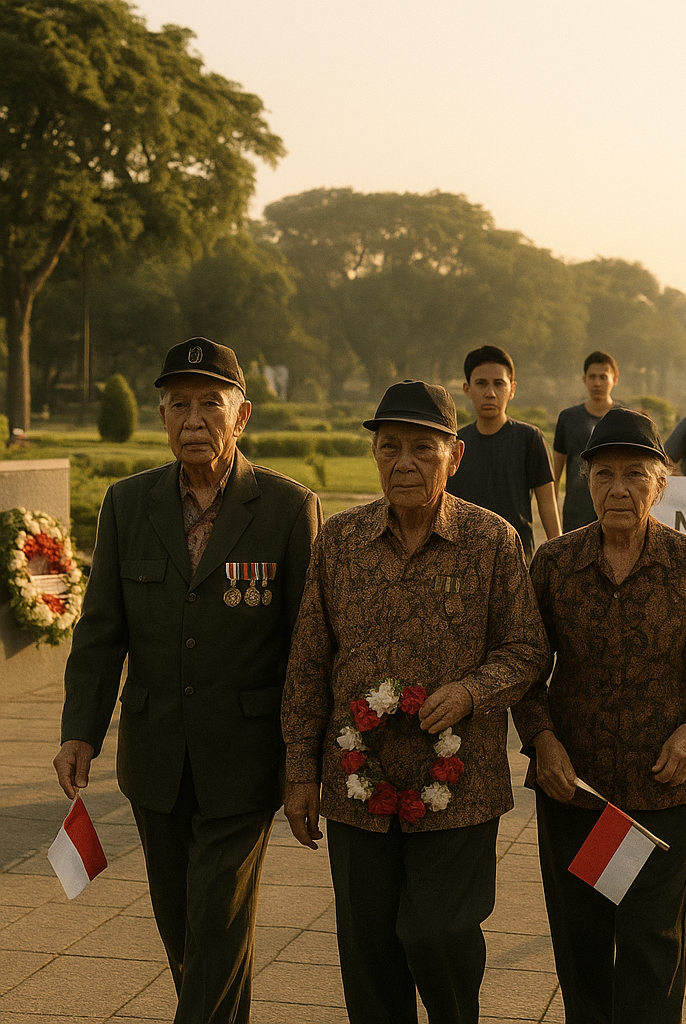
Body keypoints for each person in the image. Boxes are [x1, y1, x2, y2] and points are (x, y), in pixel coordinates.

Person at [54, 337, 322, 1024]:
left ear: (243, 415)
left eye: (211, 403)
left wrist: (303, 763)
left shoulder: (289, 509)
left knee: (218, 918)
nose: (193, 419)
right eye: (178, 404)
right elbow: (101, 631)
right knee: (185, 930)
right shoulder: (126, 503)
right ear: (162, 416)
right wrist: (79, 732)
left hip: (245, 760)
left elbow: (307, 646)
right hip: (155, 756)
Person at [280, 379, 549, 1024]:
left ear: (454, 456)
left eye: (422, 449)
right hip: (355, 790)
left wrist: (469, 692)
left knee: (440, 935)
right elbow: (310, 661)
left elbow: (526, 651)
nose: (404, 462)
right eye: (390, 446)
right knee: (367, 955)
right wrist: (297, 770)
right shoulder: (340, 542)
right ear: (374, 453)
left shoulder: (493, 542)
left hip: (460, 788)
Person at [513, 408, 686, 1024]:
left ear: (660, 483)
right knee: (582, 945)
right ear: (585, 482)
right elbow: (527, 671)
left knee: (650, 945)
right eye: (605, 473)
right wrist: (543, 743)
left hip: (663, 792)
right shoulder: (555, 564)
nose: (619, 488)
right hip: (577, 791)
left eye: (636, 474)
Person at [447, 344, 560, 558]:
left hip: (516, 557)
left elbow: (547, 504)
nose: (490, 393)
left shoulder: (530, 438)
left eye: (499, 384)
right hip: (463, 559)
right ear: (467, 389)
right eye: (481, 384)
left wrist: (559, 557)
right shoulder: (454, 444)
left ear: (512, 389)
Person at [553, 351, 621, 531]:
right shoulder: (568, 418)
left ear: (615, 379)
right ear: (584, 379)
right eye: (592, 377)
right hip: (576, 512)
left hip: (615, 509)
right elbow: (556, 470)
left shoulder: (626, 419)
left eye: (603, 377)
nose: (597, 383)